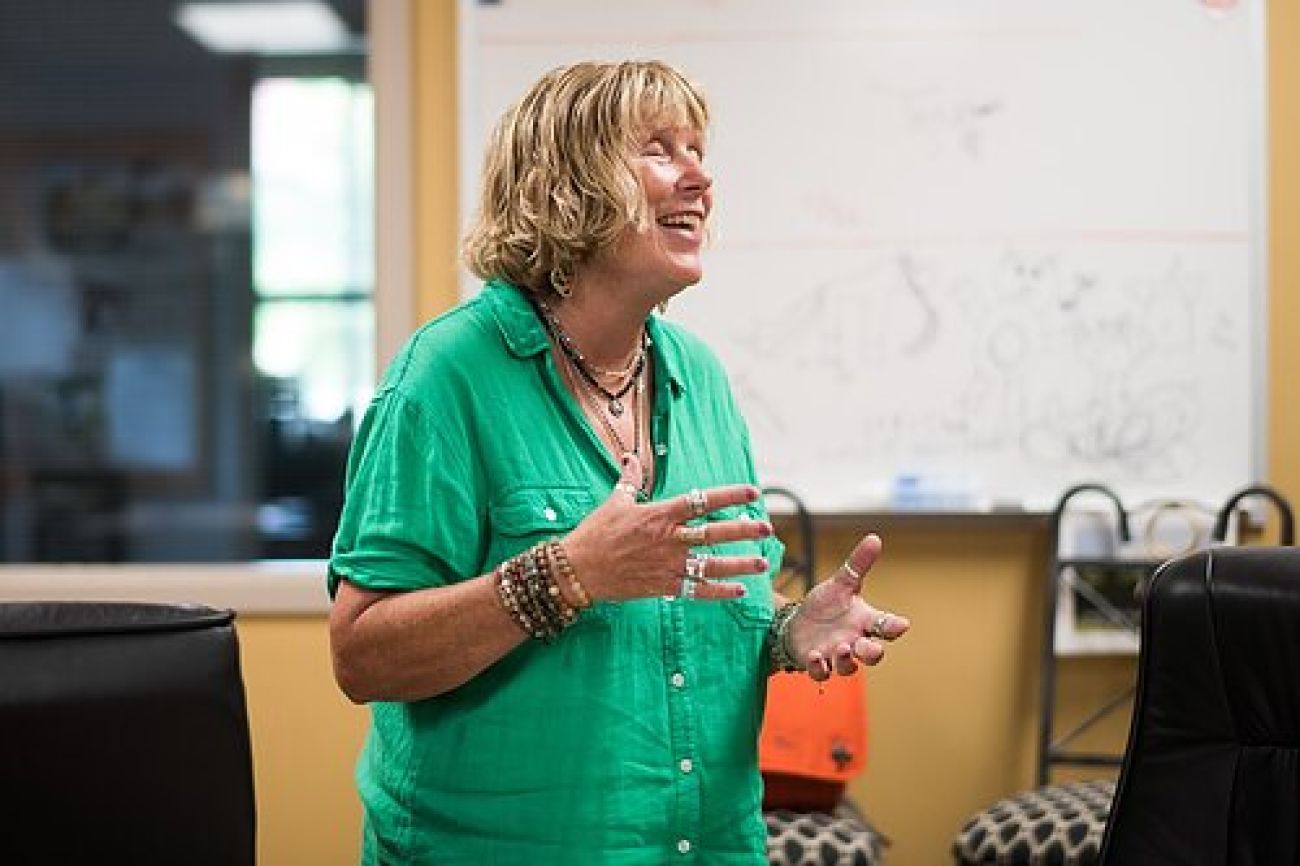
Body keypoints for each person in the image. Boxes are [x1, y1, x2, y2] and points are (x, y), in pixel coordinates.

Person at [327, 59, 911, 865]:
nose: (700, 177)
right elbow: (362, 654)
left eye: (699, 149)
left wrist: (785, 631)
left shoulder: (697, 376)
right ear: (567, 183)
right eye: (661, 149)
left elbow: (703, 613)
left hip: (706, 845)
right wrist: (568, 573)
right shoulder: (446, 374)